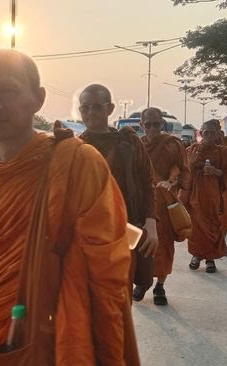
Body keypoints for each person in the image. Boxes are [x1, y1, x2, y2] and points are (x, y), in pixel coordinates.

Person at [0, 49, 139, 365]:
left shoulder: (78, 163)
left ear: (38, 99)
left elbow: (107, 269)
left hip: (65, 333)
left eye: (9, 91)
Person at [78, 85, 158, 303]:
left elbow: (147, 182)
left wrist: (151, 223)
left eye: (97, 107)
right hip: (86, 236)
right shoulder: (74, 147)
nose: (91, 113)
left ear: (110, 108)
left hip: (125, 229)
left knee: (119, 298)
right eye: (85, 108)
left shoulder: (129, 143)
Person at [140, 106, 190, 305]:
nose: (152, 128)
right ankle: (142, 281)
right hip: (142, 203)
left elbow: (185, 171)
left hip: (165, 203)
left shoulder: (173, 144)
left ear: (162, 124)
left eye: (156, 124)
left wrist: (172, 183)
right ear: (142, 125)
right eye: (148, 124)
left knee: (164, 246)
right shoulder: (136, 145)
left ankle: (160, 285)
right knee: (140, 244)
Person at [181, 119, 227, 274]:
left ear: (218, 134)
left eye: (212, 133)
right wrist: (191, 164)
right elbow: (184, 172)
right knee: (196, 226)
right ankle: (196, 256)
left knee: (214, 225)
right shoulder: (192, 150)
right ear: (200, 133)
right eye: (206, 133)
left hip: (214, 195)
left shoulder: (223, 151)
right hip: (195, 194)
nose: (209, 136)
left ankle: (210, 259)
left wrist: (216, 172)